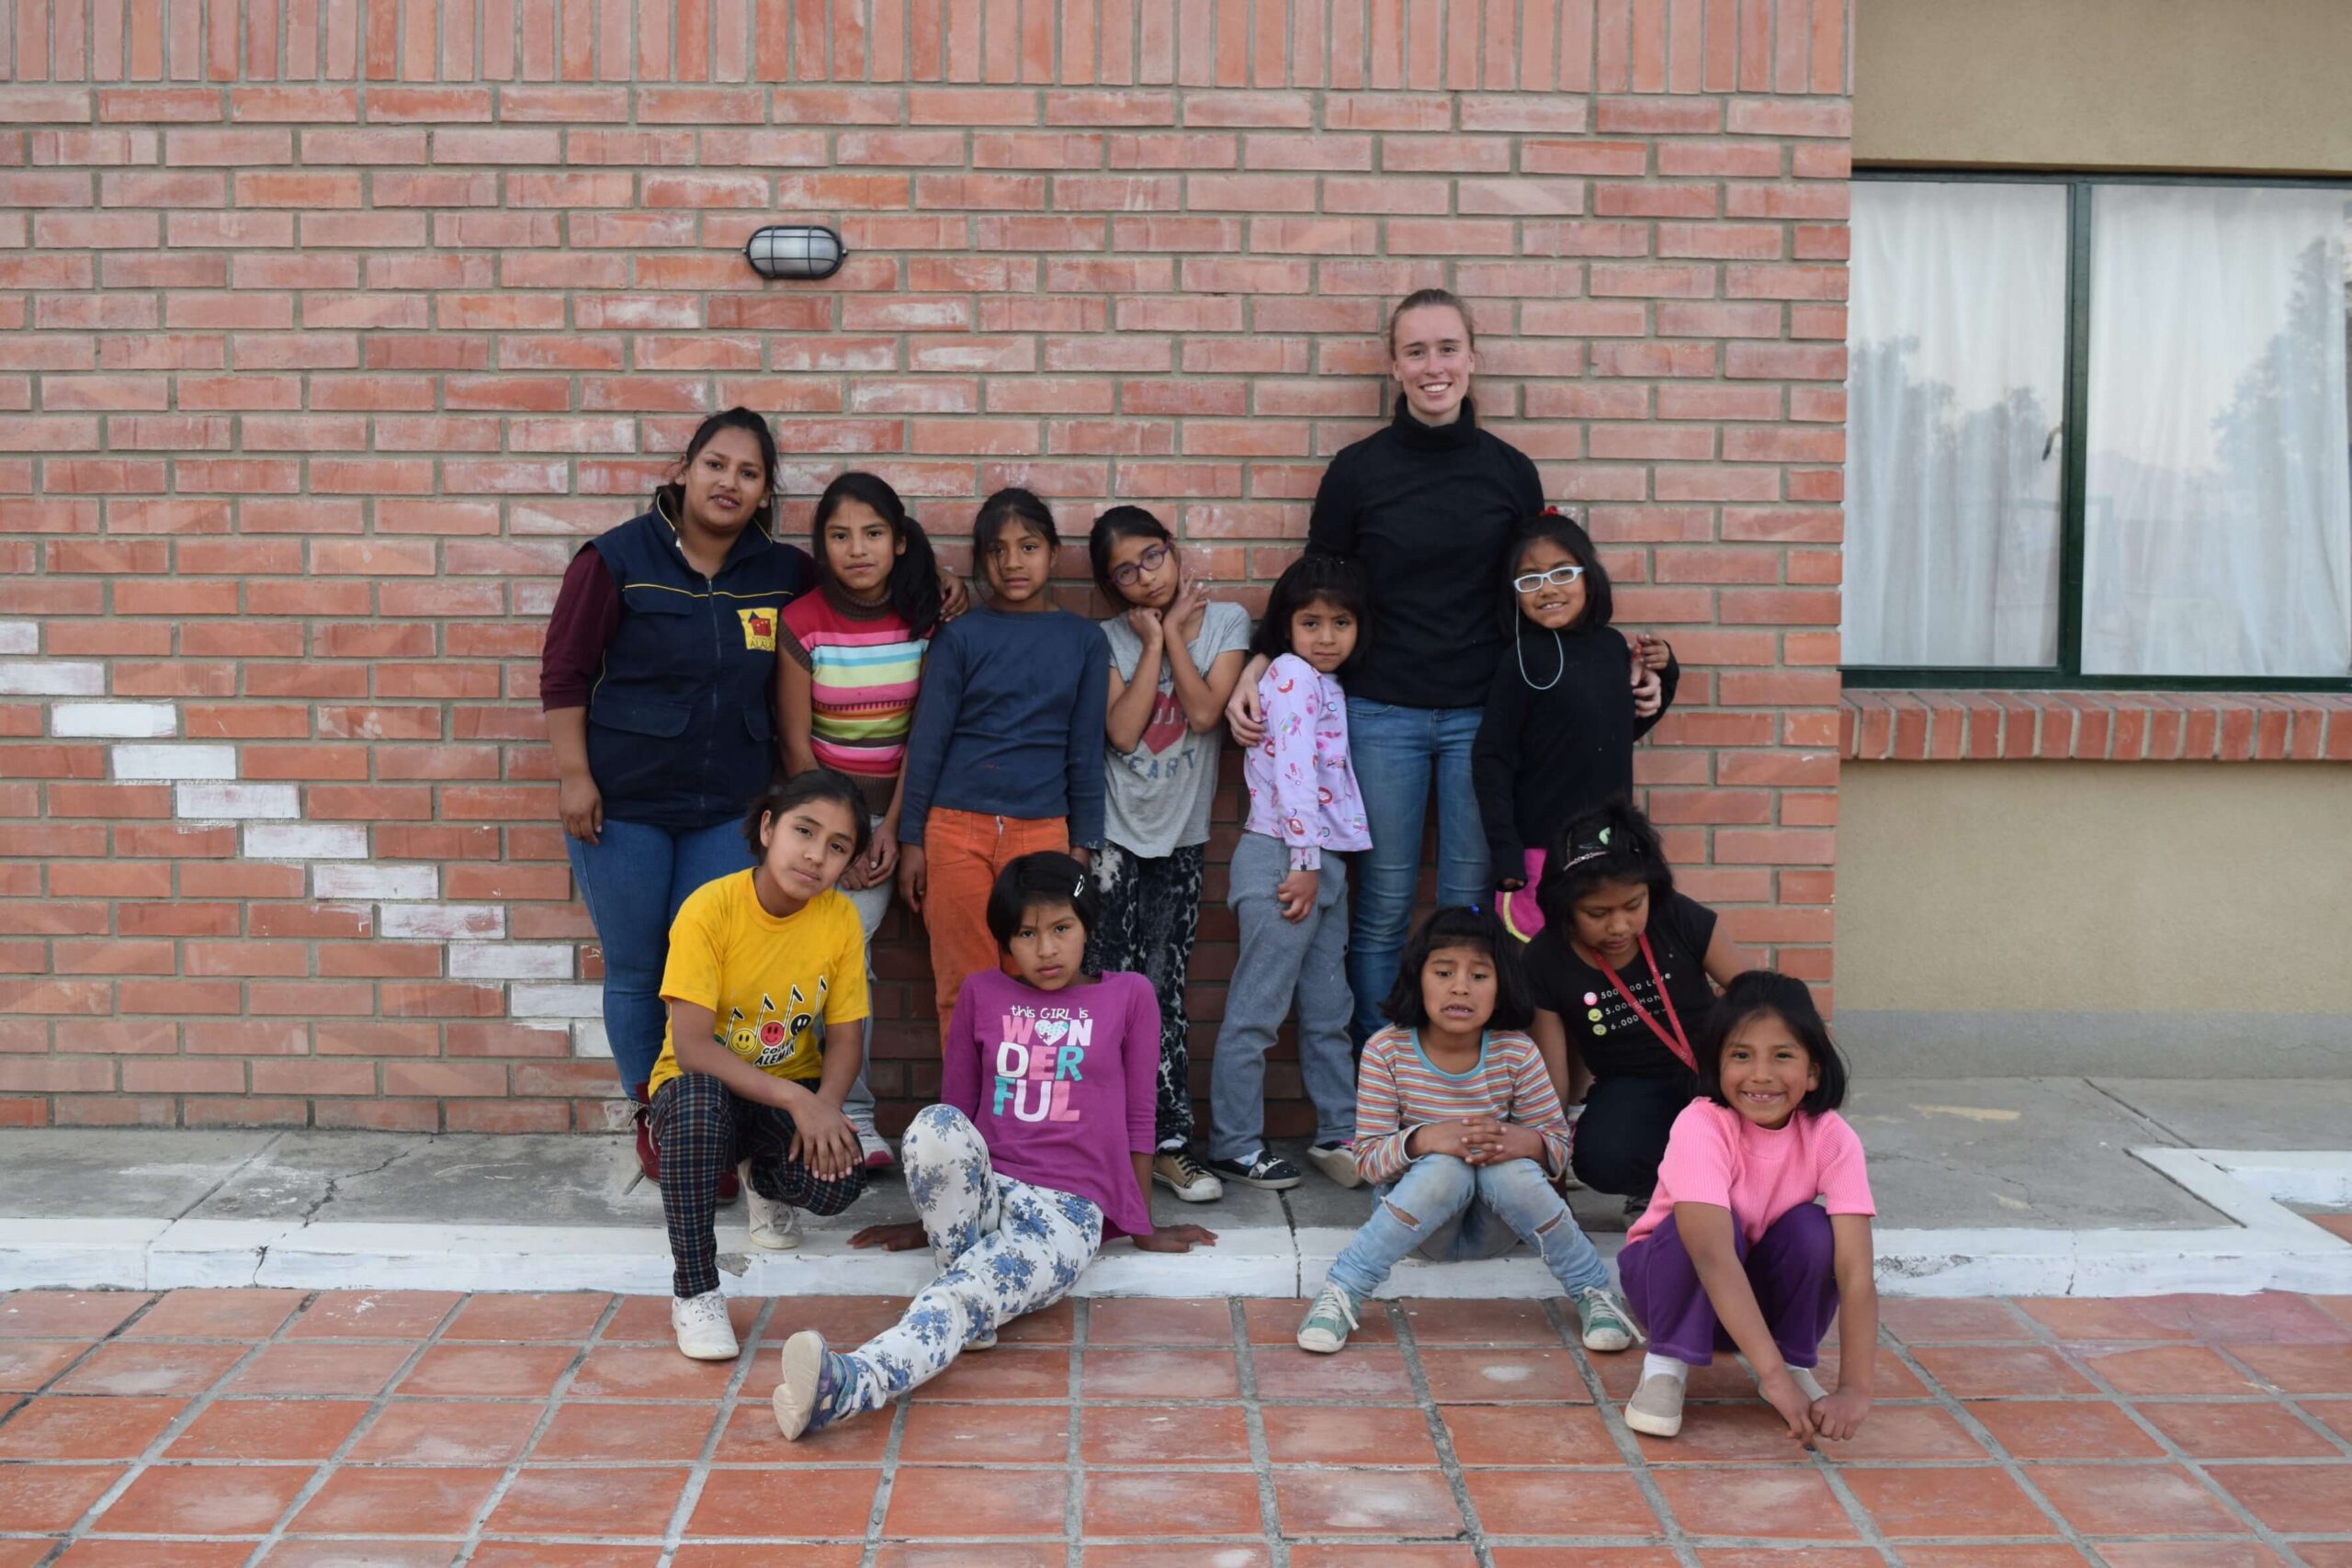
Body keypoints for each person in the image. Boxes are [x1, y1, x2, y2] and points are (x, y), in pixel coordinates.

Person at [771, 852, 1217, 1438]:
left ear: (1087, 926)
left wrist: (1139, 1223)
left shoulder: (1128, 996)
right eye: (1026, 934)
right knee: (933, 1121)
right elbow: (956, 1121)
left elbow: (1139, 1116)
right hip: (987, 1190)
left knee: (958, 1295)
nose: (1047, 949)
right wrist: (929, 1218)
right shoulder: (983, 993)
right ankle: (966, 1289)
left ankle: (851, 1383)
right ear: (1007, 941)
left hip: (1064, 1212)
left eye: (1062, 929)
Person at [1227, 288, 1540, 1046]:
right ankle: (1381, 1071)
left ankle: (1460, 1072)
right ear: (1393, 364)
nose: (1434, 367)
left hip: (1479, 718)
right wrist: (1258, 660)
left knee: (1466, 905)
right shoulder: (1359, 471)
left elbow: (1537, 592)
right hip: (1379, 716)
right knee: (1386, 904)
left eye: (1447, 349)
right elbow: (1313, 584)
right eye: (1417, 351)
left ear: (1473, 357)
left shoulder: (1510, 473)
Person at [542, 407, 811, 1185]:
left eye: (749, 473)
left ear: (765, 493)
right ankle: (658, 1115)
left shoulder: (782, 571)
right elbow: (564, 673)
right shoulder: (617, 559)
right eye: (717, 464)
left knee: (712, 973)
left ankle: (709, 1120)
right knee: (636, 967)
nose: (730, 482)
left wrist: (941, 591)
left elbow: (866, 595)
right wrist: (573, 775)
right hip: (621, 807)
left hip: (729, 810)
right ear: (685, 467)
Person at [1296, 907, 1637, 1356]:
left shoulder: (1516, 1050)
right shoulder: (1387, 1049)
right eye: (1443, 972)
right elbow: (1368, 1160)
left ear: (1501, 989)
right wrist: (1425, 1139)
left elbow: (1556, 1145)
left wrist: (1526, 1142)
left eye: (1479, 976)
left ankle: (1594, 1291)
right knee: (1444, 1167)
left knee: (1508, 1169)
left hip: (1499, 1223)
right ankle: (1342, 1290)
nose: (1460, 986)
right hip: (1422, 1227)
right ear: (1419, 978)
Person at [650, 772, 875, 1361]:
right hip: (699, 1092)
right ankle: (695, 1291)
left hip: (783, 1095)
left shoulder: (839, 920)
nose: (815, 855)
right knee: (699, 1103)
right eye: (804, 831)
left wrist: (822, 1107)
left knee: (840, 1180)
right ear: (769, 827)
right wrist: (801, 1102)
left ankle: (766, 1180)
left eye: (837, 846)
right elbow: (693, 1046)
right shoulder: (710, 909)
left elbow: (847, 1038)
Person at [1618, 972, 1877, 1445]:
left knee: (1814, 1229)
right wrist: (1771, 1378)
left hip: (1756, 1301)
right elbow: (1713, 1256)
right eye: (1741, 1055)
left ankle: (1793, 1359)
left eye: (1782, 1056)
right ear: (1718, 1063)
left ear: (1814, 1071)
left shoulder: (1832, 1137)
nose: (1760, 1074)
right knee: (1698, 1227)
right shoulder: (1702, 1124)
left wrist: (1855, 1390)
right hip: (1668, 1287)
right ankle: (1665, 1367)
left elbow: (1857, 1273)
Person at [897, 488, 1111, 1043]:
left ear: (1055, 552)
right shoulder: (961, 637)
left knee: (1037, 983)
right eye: (997, 550)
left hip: (1041, 832)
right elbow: (928, 741)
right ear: (979, 559)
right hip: (953, 830)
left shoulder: (1084, 641)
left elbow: (1085, 750)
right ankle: (963, 1126)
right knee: (963, 986)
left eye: (1028, 546)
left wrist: (1082, 847)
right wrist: (912, 841)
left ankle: (1022, 1126)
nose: (1012, 562)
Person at [778, 471, 945, 1170]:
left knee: (849, 952)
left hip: (895, 816)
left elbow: (923, 736)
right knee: (835, 954)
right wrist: (837, 838)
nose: (857, 549)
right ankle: (841, 1111)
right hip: (822, 815)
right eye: (840, 535)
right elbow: (794, 742)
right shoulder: (802, 619)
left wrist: (894, 829)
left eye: (873, 533)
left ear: (899, 541)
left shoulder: (924, 619)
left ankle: (849, 1110)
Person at [1086, 506, 1252, 1205]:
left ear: (1175, 551)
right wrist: (1152, 642)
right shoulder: (1103, 641)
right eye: (1126, 571)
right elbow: (1124, 734)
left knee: (1166, 995)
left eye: (1153, 557)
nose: (1145, 577)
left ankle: (1169, 1144)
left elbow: (1209, 713)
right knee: (1105, 990)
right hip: (1113, 843)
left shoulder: (1226, 622)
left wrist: (1177, 638)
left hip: (1182, 841)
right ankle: (1104, 1144)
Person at [1204, 557, 1373, 1194]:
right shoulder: (1293, 675)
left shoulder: (1327, 682)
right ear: (1286, 626)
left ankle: (1338, 1130)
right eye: (1310, 621)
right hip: (1283, 856)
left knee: (1330, 1007)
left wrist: (1319, 866)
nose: (1326, 635)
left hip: (1322, 862)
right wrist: (1304, 866)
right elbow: (1295, 776)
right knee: (1257, 1009)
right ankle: (1235, 1144)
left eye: (1341, 622)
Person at [1523, 802, 1748, 1214]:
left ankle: (1724, 1186)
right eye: (1597, 913)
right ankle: (1665, 1186)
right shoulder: (1544, 960)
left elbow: (1752, 997)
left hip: (1714, 1072)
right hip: (1632, 1084)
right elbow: (1550, 1084)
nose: (1619, 927)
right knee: (1600, 1159)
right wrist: (1553, 1187)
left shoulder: (1677, 916)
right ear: (1565, 908)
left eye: (1633, 906)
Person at [1474, 507, 1677, 942]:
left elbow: (1618, 732)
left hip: (1607, 844)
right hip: (1538, 849)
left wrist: (1667, 672)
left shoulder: (1611, 647)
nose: (1547, 590)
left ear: (1590, 576)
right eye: (1529, 579)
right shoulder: (1521, 660)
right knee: (1538, 962)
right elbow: (1492, 759)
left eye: (1562, 573)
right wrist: (1506, 853)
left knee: (1601, 952)